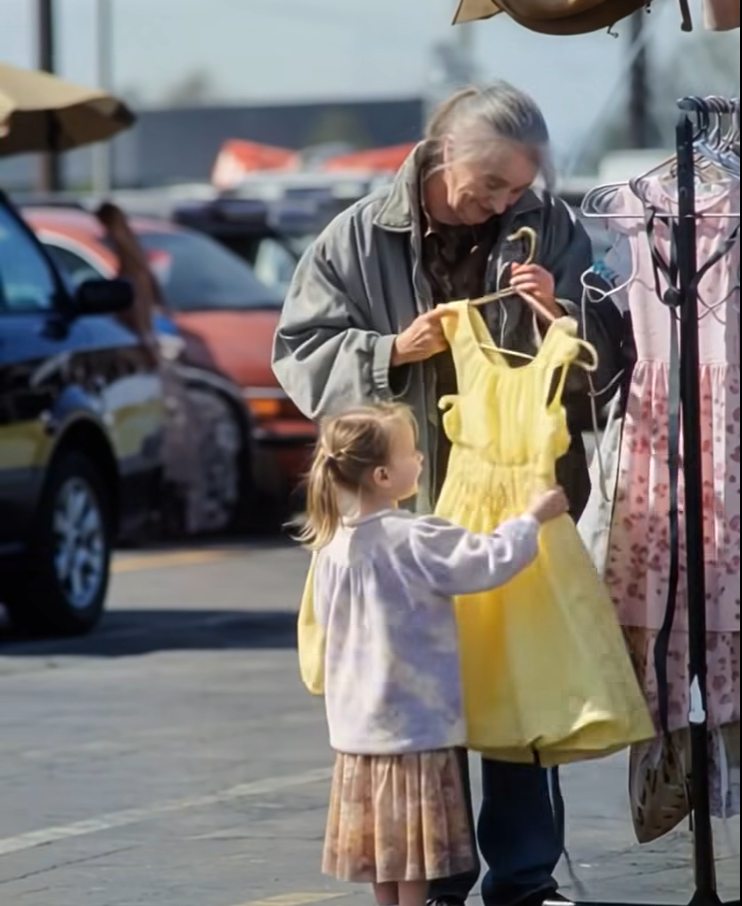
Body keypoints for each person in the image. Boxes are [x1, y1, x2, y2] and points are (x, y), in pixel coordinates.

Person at [273, 82, 622, 906]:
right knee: (418, 706)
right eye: (491, 184)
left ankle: (526, 880)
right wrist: (389, 349)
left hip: (511, 501)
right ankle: (435, 879)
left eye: (518, 187)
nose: (502, 203)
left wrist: (560, 315)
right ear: (441, 156)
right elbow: (299, 352)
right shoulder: (356, 238)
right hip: (406, 515)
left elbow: (610, 359)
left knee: (519, 690)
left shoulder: (551, 228)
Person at [305, 402, 570, 906]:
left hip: (358, 726)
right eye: (411, 453)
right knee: (414, 851)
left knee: (383, 845)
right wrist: (532, 518)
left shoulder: (331, 545)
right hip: (415, 725)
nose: (422, 460)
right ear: (384, 475)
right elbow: (487, 561)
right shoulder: (415, 537)